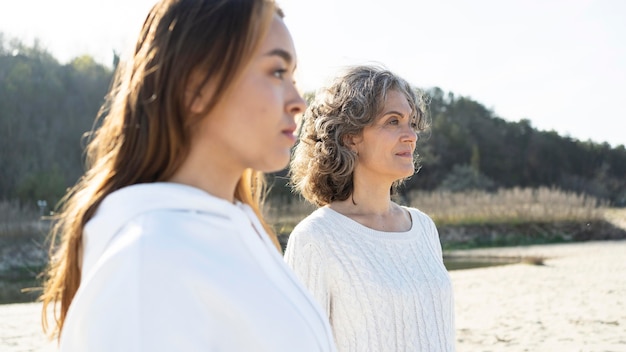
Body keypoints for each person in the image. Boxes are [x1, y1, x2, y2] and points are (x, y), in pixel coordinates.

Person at [39, 1, 337, 351]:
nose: (299, 101)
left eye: (294, 77)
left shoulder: (237, 233)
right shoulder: (147, 263)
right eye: (276, 72)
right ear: (197, 87)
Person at [284, 65, 456, 351]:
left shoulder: (423, 228)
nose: (410, 135)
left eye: (411, 122)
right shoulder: (315, 239)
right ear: (350, 137)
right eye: (393, 121)